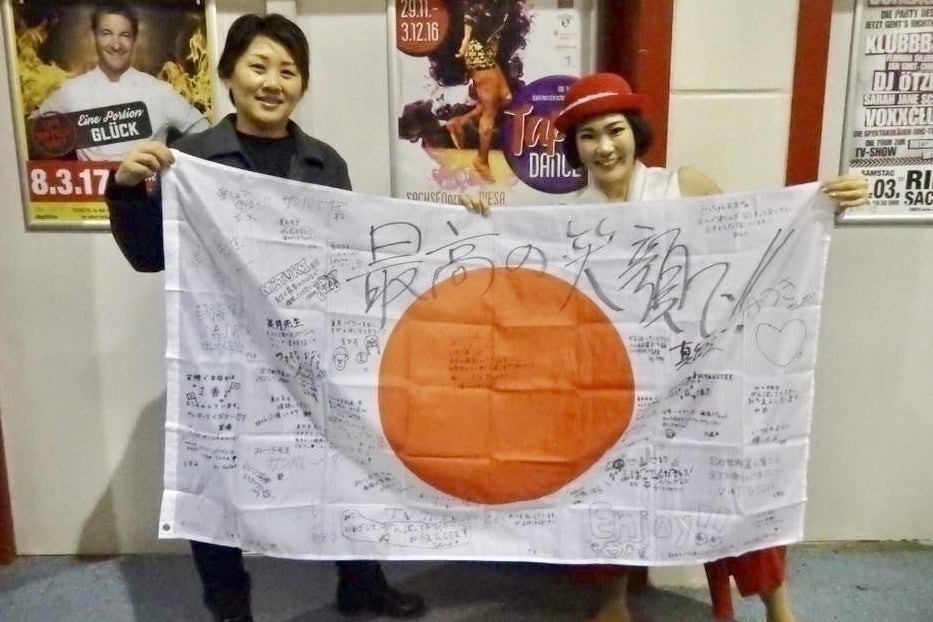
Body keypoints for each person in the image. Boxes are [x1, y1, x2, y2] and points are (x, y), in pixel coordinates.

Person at [462, 72, 869, 622]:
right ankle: (612, 598)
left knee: (734, 479)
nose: (604, 147)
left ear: (636, 131)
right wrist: (473, 217)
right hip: (615, 381)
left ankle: (778, 604)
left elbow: (758, 242)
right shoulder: (568, 216)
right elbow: (521, 273)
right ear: (575, 148)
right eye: (588, 136)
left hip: (697, 372)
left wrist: (828, 203)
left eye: (614, 130)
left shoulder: (683, 186)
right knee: (605, 481)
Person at [105, 14, 425, 622]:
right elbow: (148, 256)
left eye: (289, 70)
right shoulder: (189, 161)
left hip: (310, 352)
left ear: (302, 84)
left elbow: (349, 258)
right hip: (222, 356)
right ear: (229, 74)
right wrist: (124, 190)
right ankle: (229, 606)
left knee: (345, 463)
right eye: (258, 66)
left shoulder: (324, 163)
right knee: (216, 479)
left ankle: (362, 585)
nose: (273, 82)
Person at [33, 0, 209, 161]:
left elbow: (206, 134)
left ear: (134, 40)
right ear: (94, 37)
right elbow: (33, 132)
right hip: (93, 187)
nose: (116, 45)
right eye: (106, 33)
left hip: (149, 186)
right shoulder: (72, 92)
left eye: (125, 35)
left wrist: (174, 161)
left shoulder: (159, 91)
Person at [444, 0, 514, 183]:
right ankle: (481, 160)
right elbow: (470, 11)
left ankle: (459, 122)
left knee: (506, 97)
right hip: (478, 54)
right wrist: (465, 41)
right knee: (489, 113)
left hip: (488, 54)